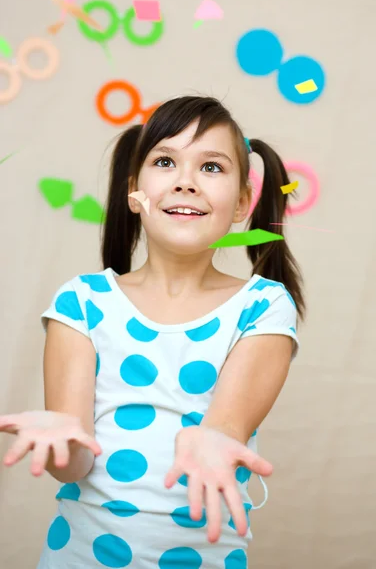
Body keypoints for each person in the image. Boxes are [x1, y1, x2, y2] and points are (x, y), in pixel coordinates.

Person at [0, 95, 305, 569]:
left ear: (243, 201)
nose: (185, 181)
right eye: (165, 162)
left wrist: (216, 439)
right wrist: (65, 442)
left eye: (211, 167)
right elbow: (73, 468)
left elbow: (227, 427)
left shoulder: (263, 307)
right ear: (134, 192)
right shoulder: (82, 303)